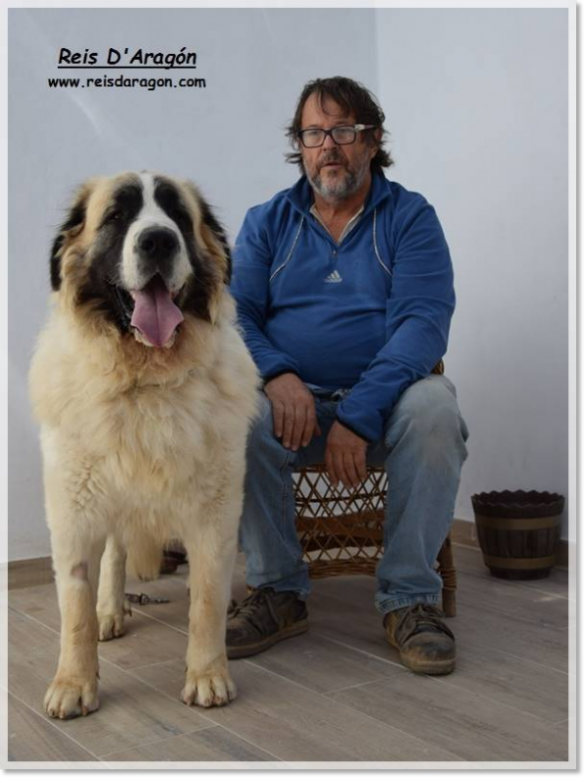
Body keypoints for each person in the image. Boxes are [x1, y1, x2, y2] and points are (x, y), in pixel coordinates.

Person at [227, 76, 469, 675]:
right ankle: (278, 591)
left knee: (437, 406)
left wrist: (360, 413)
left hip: (384, 409)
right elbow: (231, 319)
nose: (328, 145)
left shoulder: (410, 217)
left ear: (372, 139)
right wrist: (277, 375)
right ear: (301, 146)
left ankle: (410, 599)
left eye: (343, 130)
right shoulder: (266, 222)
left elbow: (422, 325)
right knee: (236, 414)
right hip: (292, 410)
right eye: (314, 133)